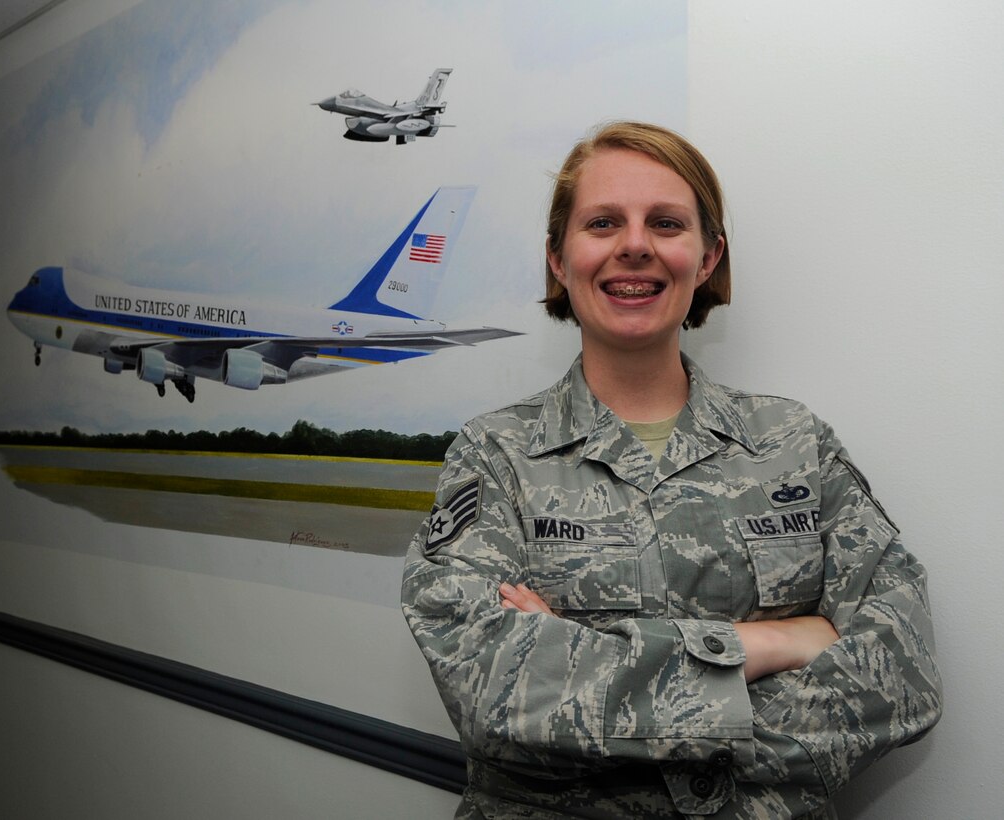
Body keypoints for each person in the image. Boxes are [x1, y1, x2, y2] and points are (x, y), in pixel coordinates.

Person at [401, 121, 942, 819]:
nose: (634, 245)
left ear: (708, 256)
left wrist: (583, 666)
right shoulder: (496, 455)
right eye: (602, 223)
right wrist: (769, 641)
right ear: (558, 261)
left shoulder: (794, 445)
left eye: (665, 222)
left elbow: (902, 677)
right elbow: (495, 691)